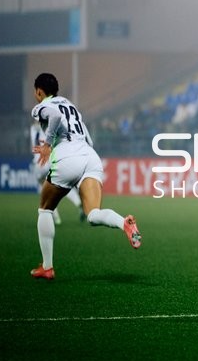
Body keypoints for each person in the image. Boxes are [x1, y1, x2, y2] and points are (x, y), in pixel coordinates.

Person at [30, 73, 141, 280]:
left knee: (45, 209)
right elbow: (87, 136)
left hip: (66, 155)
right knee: (93, 214)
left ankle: (47, 267)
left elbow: (54, 117)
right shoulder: (71, 106)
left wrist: (47, 144)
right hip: (90, 156)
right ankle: (123, 222)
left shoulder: (41, 106)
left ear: (39, 91)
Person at [30, 121, 85, 224]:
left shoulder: (33, 129)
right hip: (50, 160)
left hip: (39, 163)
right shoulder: (48, 127)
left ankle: (55, 218)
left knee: (46, 191)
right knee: (62, 186)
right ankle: (78, 203)